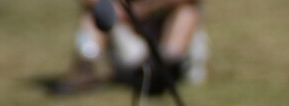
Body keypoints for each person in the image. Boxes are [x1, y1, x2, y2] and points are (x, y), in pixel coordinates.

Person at [50, 0, 208, 95]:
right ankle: (86, 65)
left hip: (168, 33)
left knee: (188, 10)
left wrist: (143, 9)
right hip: (130, 37)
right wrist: (118, 9)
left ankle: (168, 65)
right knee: (94, 14)